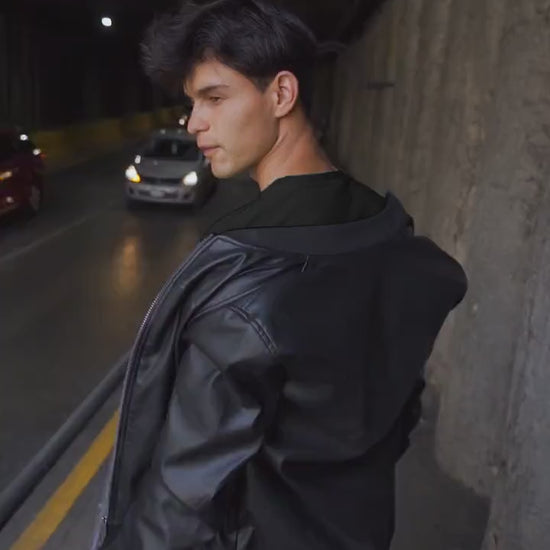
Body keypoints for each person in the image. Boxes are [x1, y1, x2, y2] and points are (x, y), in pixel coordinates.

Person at [92, 1, 467, 548]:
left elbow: (184, 501)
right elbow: (399, 408)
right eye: (192, 102)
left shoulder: (246, 275)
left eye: (215, 97)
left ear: (282, 95)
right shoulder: (386, 228)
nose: (195, 122)